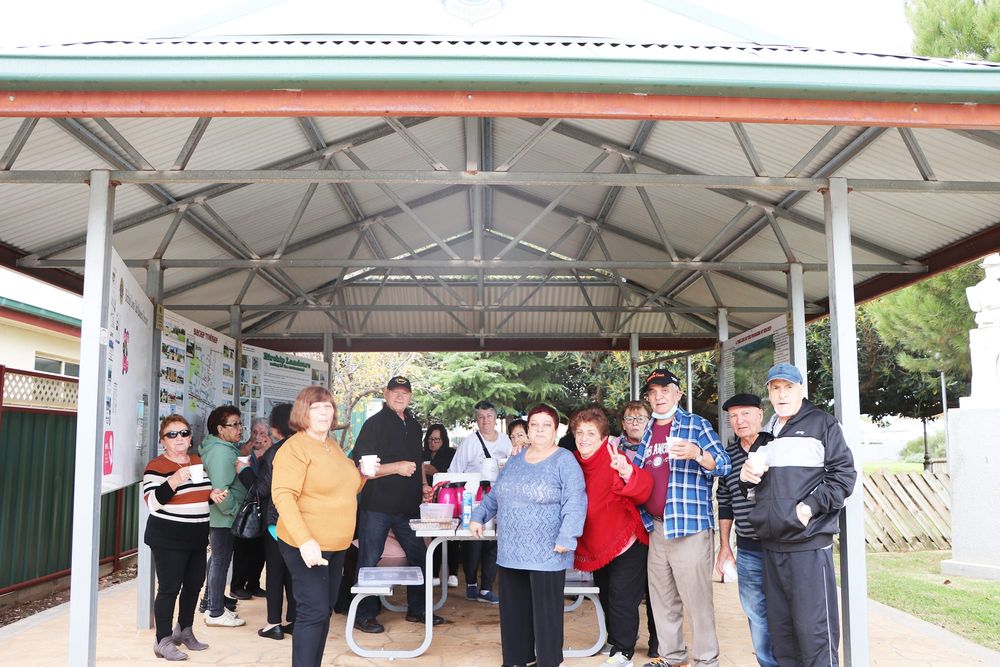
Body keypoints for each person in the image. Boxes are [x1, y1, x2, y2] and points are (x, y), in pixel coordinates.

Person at [740, 363, 857, 667]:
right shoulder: (766, 434)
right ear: (768, 392)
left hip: (808, 547)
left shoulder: (823, 424)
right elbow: (756, 489)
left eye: (788, 387)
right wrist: (746, 478)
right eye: (775, 388)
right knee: (783, 636)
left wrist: (808, 508)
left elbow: (844, 477)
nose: (781, 394)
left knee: (815, 634)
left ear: (801, 390)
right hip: (772, 547)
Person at [470, 404, 587, 667]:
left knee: (546, 618)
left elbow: (575, 502)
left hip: (547, 551)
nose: (540, 430)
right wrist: (478, 516)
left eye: (546, 425)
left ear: (556, 430)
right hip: (511, 551)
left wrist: (567, 537)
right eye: (534, 425)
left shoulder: (564, 460)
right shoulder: (515, 459)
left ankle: (549, 662)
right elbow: (497, 494)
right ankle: (516, 661)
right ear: (527, 429)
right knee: (514, 614)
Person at [272, 386, 375, 667]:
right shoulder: (295, 448)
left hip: (335, 544)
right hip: (306, 544)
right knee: (312, 612)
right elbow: (283, 496)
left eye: (328, 407)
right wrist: (305, 540)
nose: (324, 413)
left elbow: (348, 487)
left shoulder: (331, 445)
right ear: (303, 412)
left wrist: (363, 475)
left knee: (323, 611)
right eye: (316, 408)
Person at [635, 368, 731, 667]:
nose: (659, 396)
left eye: (665, 390)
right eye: (653, 392)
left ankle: (706, 660)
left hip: (689, 528)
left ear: (678, 393)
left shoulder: (696, 424)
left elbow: (724, 465)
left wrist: (697, 453)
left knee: (697, 601)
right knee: (662, 600)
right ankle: (674, 657)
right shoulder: (648, 430)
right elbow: (641, 474)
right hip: (658, 527)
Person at [351, 375, 442, 634]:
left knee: (420, 557)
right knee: (369, 559)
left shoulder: (413, 425)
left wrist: (423, 485)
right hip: (377, 507)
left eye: (405, 393)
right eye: (395, 392)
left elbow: (419, 461)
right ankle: (365, 615)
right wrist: (396, 468)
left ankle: (418, 609)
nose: (400, 396)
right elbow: (364, 468)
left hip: (408, 508)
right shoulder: (374, 424)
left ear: (411, 396)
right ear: (385, 393)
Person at [571, 406, 653, 667]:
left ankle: (623, 651)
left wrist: (626, 471)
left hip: (626, 540)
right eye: (580, 432)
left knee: (621, 596)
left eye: (591, 433)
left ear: (604, 438)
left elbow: (644, 489)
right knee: (606, 594)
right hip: (597, 543)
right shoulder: (570, 461)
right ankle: (618, 638)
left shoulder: (615, 458)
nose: (584, 438)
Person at [142, 415, 226, 661]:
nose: (179, 438)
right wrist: (174, 480)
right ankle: (162, 640)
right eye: (172, 434)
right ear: (163, 440)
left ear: (190, 438)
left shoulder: (197, 461)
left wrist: (213, 495)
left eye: (184, 433)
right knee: (169, 589)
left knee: (193, 585)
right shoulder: (156, 466)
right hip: (168, 537)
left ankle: (185, 631)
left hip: (196, 535)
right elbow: (152, 503)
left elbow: (200, 494)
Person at [715, 394, 777, 667]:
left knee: (785, 609)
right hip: (748, 547)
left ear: (760, 414)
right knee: (756, 613)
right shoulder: (728, 455)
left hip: (780, 545)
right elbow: (725, 502)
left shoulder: (776, 447)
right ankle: (768, 663)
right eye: (734, 416)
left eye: (745, 414)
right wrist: (725, 546)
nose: (739, 421)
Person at [448, 400, 512, 604]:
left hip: (498, 499)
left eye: (489, 416)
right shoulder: (470, 442)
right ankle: (471, 585)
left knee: (493, 543)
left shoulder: (505, 442)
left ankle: (486, 588)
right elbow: (454, 471)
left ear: (495, 418)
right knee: (473, 543)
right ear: (477, 420)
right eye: (481, 417)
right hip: (473, 501)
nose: (485, 421)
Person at [613, 400, 659, 658]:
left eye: (640, 418)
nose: (634, 423)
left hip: (654, 525)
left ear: (650, 421)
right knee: (624, 590)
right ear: (622, 424)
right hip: (625, 530)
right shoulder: (613, 449)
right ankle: (623, 643)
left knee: (657, 588)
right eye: (629, 419)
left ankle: (658, 640)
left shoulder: (657, 448)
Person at [199, 405, 248, 627]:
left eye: (240, 423)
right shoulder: (220, 452)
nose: (239, 428)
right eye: (234, 424)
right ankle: (216, 612)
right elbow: (220, 490)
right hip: (225, 515)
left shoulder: (225, 448)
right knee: (220, 560)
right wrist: (236, 509)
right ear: (220, 429)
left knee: (217, 558)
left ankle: (210, 601)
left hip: (224, 515)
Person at [251, 403, 297, 640]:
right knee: (294, 570)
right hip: (301, 521)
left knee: (276, 571)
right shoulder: (306, 449)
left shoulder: (275, 452)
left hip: (277, 522)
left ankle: (273, 624)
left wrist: (244, 471)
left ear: (276, 428)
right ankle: (294, 620)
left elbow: (262, 489)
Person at [231, 417, 272, 600]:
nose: (258, 437)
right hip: (247, 507)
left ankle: (254, 583)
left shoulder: (271, 453)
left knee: (260, 550)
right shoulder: (245, 451)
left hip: (264, 507)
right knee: (243, 547)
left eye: (262, 433)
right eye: (255, 432)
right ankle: (237, 585)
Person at [422, 424, 460, 587]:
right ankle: (434, 573)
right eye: (430, 439)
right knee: (433, 536)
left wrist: (434, 470)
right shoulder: (422, 454)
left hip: (447, 499)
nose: (433, 442)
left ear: (443, 440)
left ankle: (453, 573)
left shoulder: (451, 454)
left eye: (437, 439)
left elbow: (453, 474)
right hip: (428, 500)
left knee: (451, 537)